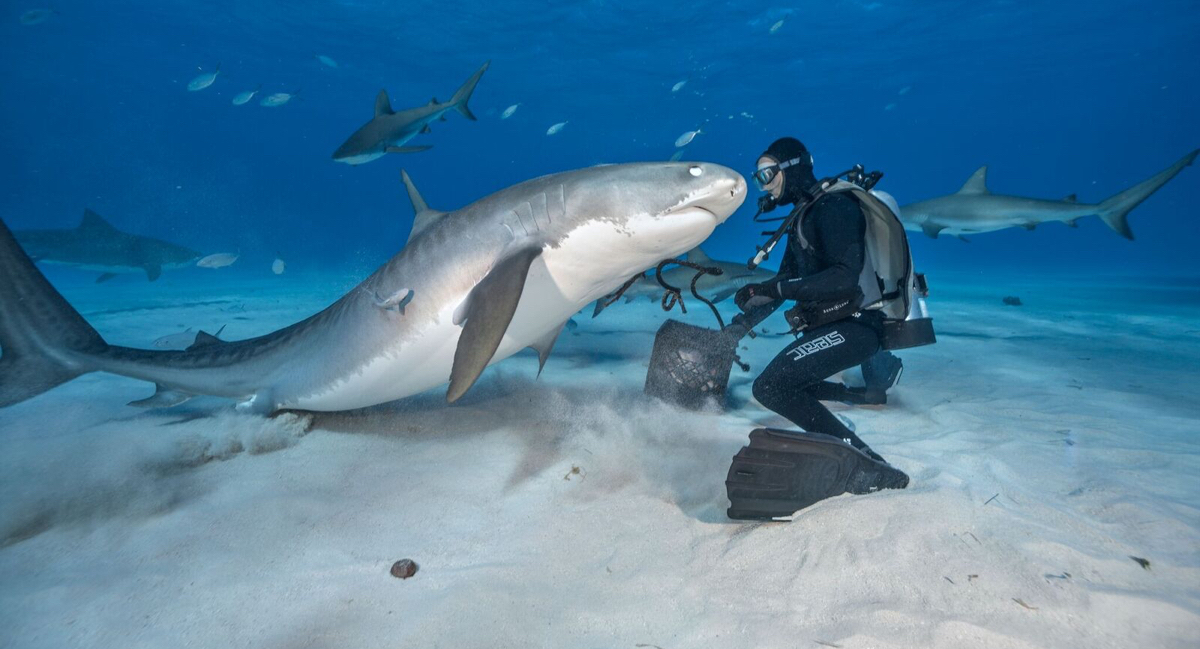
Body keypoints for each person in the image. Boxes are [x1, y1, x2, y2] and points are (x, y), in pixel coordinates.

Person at [725, 137, 902, 463]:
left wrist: (775, 290)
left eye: (767, 174)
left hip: (858, 327)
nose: (763, 186)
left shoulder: (833, 207)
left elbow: (843, 277)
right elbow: (784, 283)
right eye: (758, 177)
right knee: (788, 382)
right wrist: (735, 330)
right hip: (831, 326)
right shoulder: (804, 215)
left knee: (770, 388)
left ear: (791, 168)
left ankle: (865, 460)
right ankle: (864, 393)